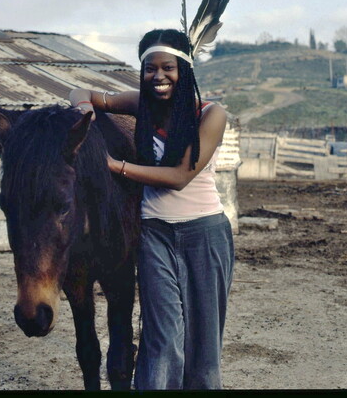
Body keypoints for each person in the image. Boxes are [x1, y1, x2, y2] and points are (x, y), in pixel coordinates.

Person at [68, 28, 235, 390]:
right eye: (149, 69)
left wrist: (113, 165)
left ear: (184, 71)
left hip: (204, 234)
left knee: (204, 348)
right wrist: (85, 111)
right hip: (154, 234)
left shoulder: (212, 115)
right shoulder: (140, 106)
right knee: (162, 339)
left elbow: (178, 176)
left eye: (168, 68)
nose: (158, 76)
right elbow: (80, 91)